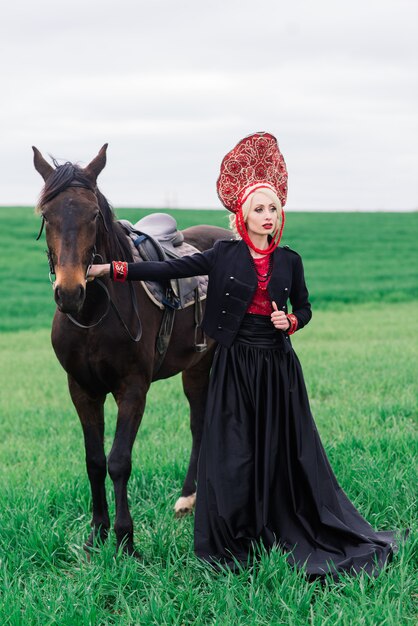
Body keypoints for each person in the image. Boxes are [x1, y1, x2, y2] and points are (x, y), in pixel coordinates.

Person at [88, 132, 399, 579]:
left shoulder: (290, 260)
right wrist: (113, 269)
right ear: (242, 216)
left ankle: (286, 523)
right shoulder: (222, 255)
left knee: (282, 450)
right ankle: (234, 533)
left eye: (273, 209)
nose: (267, 216)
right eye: (259, 209)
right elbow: (168, 268)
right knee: (234, 452)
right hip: (235, 365)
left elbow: (306, 307)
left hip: (278, 367)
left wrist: (291, 323)